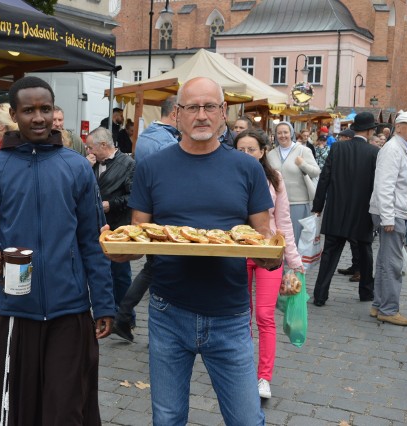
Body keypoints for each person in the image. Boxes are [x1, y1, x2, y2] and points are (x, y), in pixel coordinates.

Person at [107, 77, 278, 425]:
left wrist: (272, 258)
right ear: (178, 114)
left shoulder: (246, 168)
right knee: (168, 419)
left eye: (210, 106)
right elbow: (141, 236)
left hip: (229, 313)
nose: (202, 115)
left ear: (223, 113)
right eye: (192, 107)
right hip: (169, 310)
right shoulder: (153, 166)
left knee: (247, 419)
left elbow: (263, 239)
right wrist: (119, 251)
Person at [0, 76, 115, 425]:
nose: (39, 117)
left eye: (45, 109)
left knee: (66, 408)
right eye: (29, 110)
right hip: (16, 310)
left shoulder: (75, 166)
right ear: (14, 113)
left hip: (70, 309)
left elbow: (91, 239)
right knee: (13, 408)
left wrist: (103, 302)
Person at [235, 129, 303, 399]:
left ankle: (263, 377)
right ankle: (241, 369)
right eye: (240, 150)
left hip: (269, 254)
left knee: (264, 315)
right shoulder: (229, 178)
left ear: (263, 151)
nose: (246, 154)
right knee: (241, 315)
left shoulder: (275, 179)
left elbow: (284, 220)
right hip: (237, 252)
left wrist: (294, 260)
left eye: (251, 149)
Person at [112, 95, 180, 342]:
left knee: (153, 267)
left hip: (149, 208)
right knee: (159, 268)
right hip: (166, 211)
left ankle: (124, 315)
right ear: (175, 114)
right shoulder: (169, 142)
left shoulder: (145, 137)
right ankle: (143, 323)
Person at [311, 112, 380, 306]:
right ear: (369, 131)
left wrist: (318, 206)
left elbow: (324, 178)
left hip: (336, 211)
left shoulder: (337, 148)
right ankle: (366, 292)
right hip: (362, 212)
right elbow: (378, 186)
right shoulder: (374, 152)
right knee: (365, 252)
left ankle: (320, 295)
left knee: (330, 254)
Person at [369, 111, 407, 326]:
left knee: (385, 260)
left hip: (392, 211)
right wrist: (388, 217)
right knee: (392, 262)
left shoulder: (401, 148)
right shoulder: (393, 149)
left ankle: (379, 304)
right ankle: (388, 309)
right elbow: (384, 184)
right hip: (391, 212)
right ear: (398, 127)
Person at [85, 127, 135, 324]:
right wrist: (85, 167)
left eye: (90, 148)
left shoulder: (128, 164)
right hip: (96, 226)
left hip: (118, 227)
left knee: (121, 274)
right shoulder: (91, 163)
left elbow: (134, 196)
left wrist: (111, 204)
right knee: (102, 272)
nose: (88, 151)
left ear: (103, 145)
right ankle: (108, 311)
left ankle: (125, 317)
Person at [268, 121, 320, 241]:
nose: (282, 135)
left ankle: (294, 261)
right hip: (277, 203)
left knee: (295, 241)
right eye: (279, 133)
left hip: (297, 203)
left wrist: (303, 164)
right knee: (279, 239)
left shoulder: (303, 151)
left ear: (291, 133)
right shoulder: (271, 154)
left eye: (285, 132)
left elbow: (316, 172)